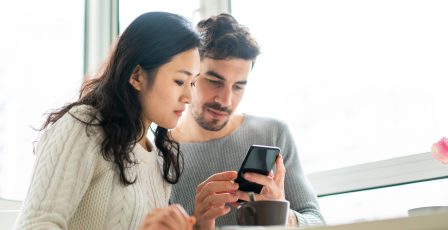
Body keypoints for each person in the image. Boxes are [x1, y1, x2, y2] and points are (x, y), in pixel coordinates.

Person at [15, 12, 200, 230]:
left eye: (193, 83)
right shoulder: (83, 127)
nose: (189, 97)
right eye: (179, 81)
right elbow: (34, 225)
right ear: (137, 76)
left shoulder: (158, 158)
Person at [169, 13, 325, 229]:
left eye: (238, 86)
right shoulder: (160, 154)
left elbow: (317, 222)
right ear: (190, 75)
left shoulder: (274, 134)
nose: (225, 100)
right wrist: (197, 224)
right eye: (215, 82)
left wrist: (281, 213)